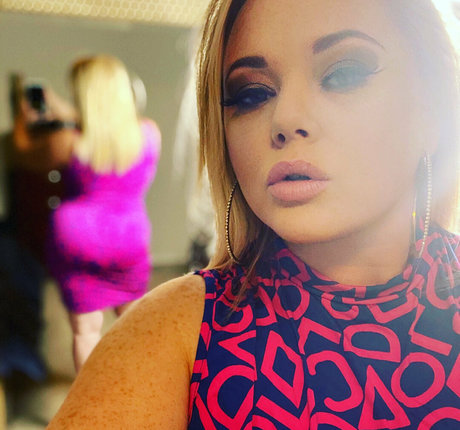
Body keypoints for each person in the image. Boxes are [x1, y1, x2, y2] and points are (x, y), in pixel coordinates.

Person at [48, 0, 459, 428]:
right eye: (252, 94)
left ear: (432, 110)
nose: (286, 119)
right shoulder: (175, 331)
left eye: (343, 74)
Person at [45, 55, 161, 372]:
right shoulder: (149, 133)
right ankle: (137, 388)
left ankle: (92, 399)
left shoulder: (67, 142)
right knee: (135, 323)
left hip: (77, 242)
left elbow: (31, 152)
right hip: (128, 241)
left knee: (85, 332)